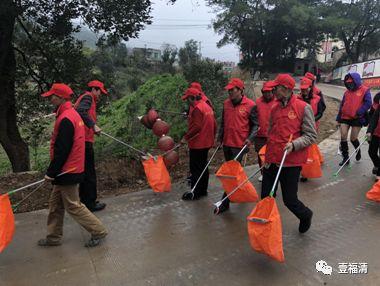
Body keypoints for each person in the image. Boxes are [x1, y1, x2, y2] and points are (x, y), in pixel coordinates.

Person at [38, 83, 108, 247]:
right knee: (55, 205)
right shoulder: (70, 114)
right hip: (68, 168)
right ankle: (53, 237)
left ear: (61, 98)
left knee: (73, 205)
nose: (50, 99)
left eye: (52, 96)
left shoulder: (67, 118)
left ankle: (98, 231)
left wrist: (51, 172)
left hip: (67, 170)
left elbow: (62, 150)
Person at [262, 74, 317, 233]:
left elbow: (311, 135)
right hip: (272, 160)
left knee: (289, 200)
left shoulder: (302, 107)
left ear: (285, 89)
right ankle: (267, 231)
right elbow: (271, 133)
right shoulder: (274, 108)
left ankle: (305, 215)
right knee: (266, 197)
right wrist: (267, 157)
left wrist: (294, 144)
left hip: (290, 162)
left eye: (276, 87)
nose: (273, 90)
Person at [214, 78, 259, 214]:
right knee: (233, 173)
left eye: (232, 90)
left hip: (240, 145)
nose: (230, 93)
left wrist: (250, 139)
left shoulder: (250, 105)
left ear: (240, 90)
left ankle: (224, 202)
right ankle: (242, 193)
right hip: (227, 143)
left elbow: (256, 125)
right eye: (229, 90)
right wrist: (219, 138)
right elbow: (223, 123)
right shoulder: (226, 104)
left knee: (231, 175)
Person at [75, 80, 108, 212]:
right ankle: (90, 203)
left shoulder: (87, 99)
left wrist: (92, 128)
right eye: (100, 92)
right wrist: (93, 125)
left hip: (84, 140)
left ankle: (85, 200)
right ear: (95, 89)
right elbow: (80, 111)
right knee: (89, 173)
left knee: (86, 172)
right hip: (84, 141)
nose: (100, 95)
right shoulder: (88, 97)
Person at [181, 87, 217, 200]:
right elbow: (214, 124)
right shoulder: (206, 106)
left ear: (192, 98)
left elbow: (196, 126)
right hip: (206, 143)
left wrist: (185, 138)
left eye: (188, 99)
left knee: (195, 168)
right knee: (203, 166)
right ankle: (203, 190)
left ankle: (195, 192)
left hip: (197, 143)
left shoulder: (197, 109)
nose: (188, 102)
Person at [336, 72, 372, 166]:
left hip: (357, 118)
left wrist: (359, 112)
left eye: (351, 82)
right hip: (345, 117)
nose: (349, 84)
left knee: (353, 138)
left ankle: (358, 150)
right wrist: (338, 118)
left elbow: (368, 103)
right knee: (343, 136)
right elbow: (342, 105)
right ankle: (345, 158)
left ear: (356, 81)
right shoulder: (346, 92)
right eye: (348, 83)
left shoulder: (365, 90)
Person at [298, 77, 326, 182]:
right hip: (299, 127)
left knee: (307, 149)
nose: (303, 90)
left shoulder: (317, 99)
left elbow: (320, 112)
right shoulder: (297, 99)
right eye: (302, 88)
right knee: (300, 148)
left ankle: (305, 172)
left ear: (310, 88)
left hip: (312, 127)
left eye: (306, 88)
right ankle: (300, 169)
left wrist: (311, 121)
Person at [254, 80, 277, 181]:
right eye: (265, 92)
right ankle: (263, 173)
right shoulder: (258, 102)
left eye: (269, 91)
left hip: (273, 135)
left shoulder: (277, 102)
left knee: (273, 156)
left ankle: (273, 174)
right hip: (260, 135)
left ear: (273, 91)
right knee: (261, 156)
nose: (267, 94)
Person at [366, 92, 380, 179]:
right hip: (376, 133)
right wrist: (369, 131)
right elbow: (374, 119)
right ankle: (378, 165)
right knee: (371, 152)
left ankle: (379, 173)